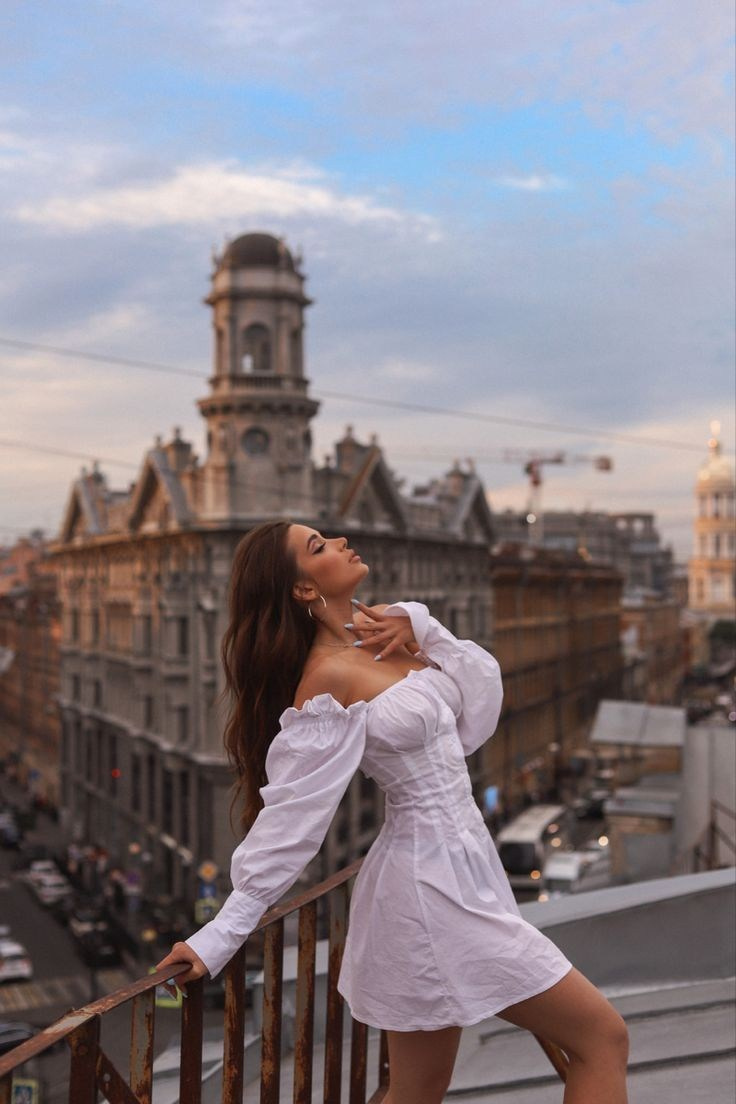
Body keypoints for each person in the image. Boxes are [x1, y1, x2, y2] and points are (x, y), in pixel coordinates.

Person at [155, 521, 629, 1104]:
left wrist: (420, 624)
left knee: (416, 1092)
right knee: (602, 1039)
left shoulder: (378, 641)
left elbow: (475, 713)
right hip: (428, 889)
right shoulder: (327, 681)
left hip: (462, 869)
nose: (338, 543)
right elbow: (291, 822)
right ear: (304, 589)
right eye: (318, 547)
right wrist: (218, 937)